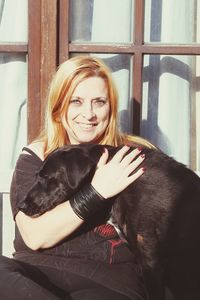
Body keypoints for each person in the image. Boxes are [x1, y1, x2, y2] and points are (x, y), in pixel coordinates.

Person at [0, 56, 154, 300]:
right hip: (35, 272)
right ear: (59, 106)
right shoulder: (37, 155)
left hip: (106, 280)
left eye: (99, 102)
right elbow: (35, 236)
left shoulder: (130, 156)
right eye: (76, 102)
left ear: (110, 107)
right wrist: (97, 192)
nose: (89, 114)